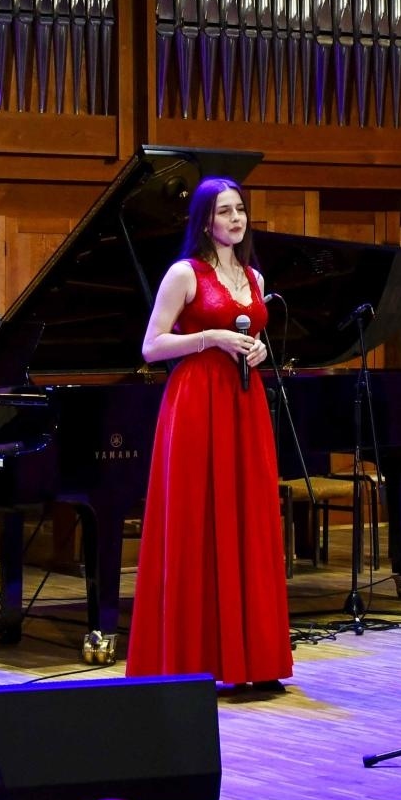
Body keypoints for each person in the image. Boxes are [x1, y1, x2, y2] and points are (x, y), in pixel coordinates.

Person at [126, 176, 293, 690]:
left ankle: (254, 662)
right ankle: (193, 661)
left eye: (240, 210)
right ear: (204, 220)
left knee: (249, 519)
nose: (236, 220)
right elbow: (152, 347)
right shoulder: (185, 273)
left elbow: (253, 336)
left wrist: (259, 349)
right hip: (197, 401)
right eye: (224, 212)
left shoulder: (256, 277)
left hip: (245, 404)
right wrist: (211, 337)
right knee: (199, 522)